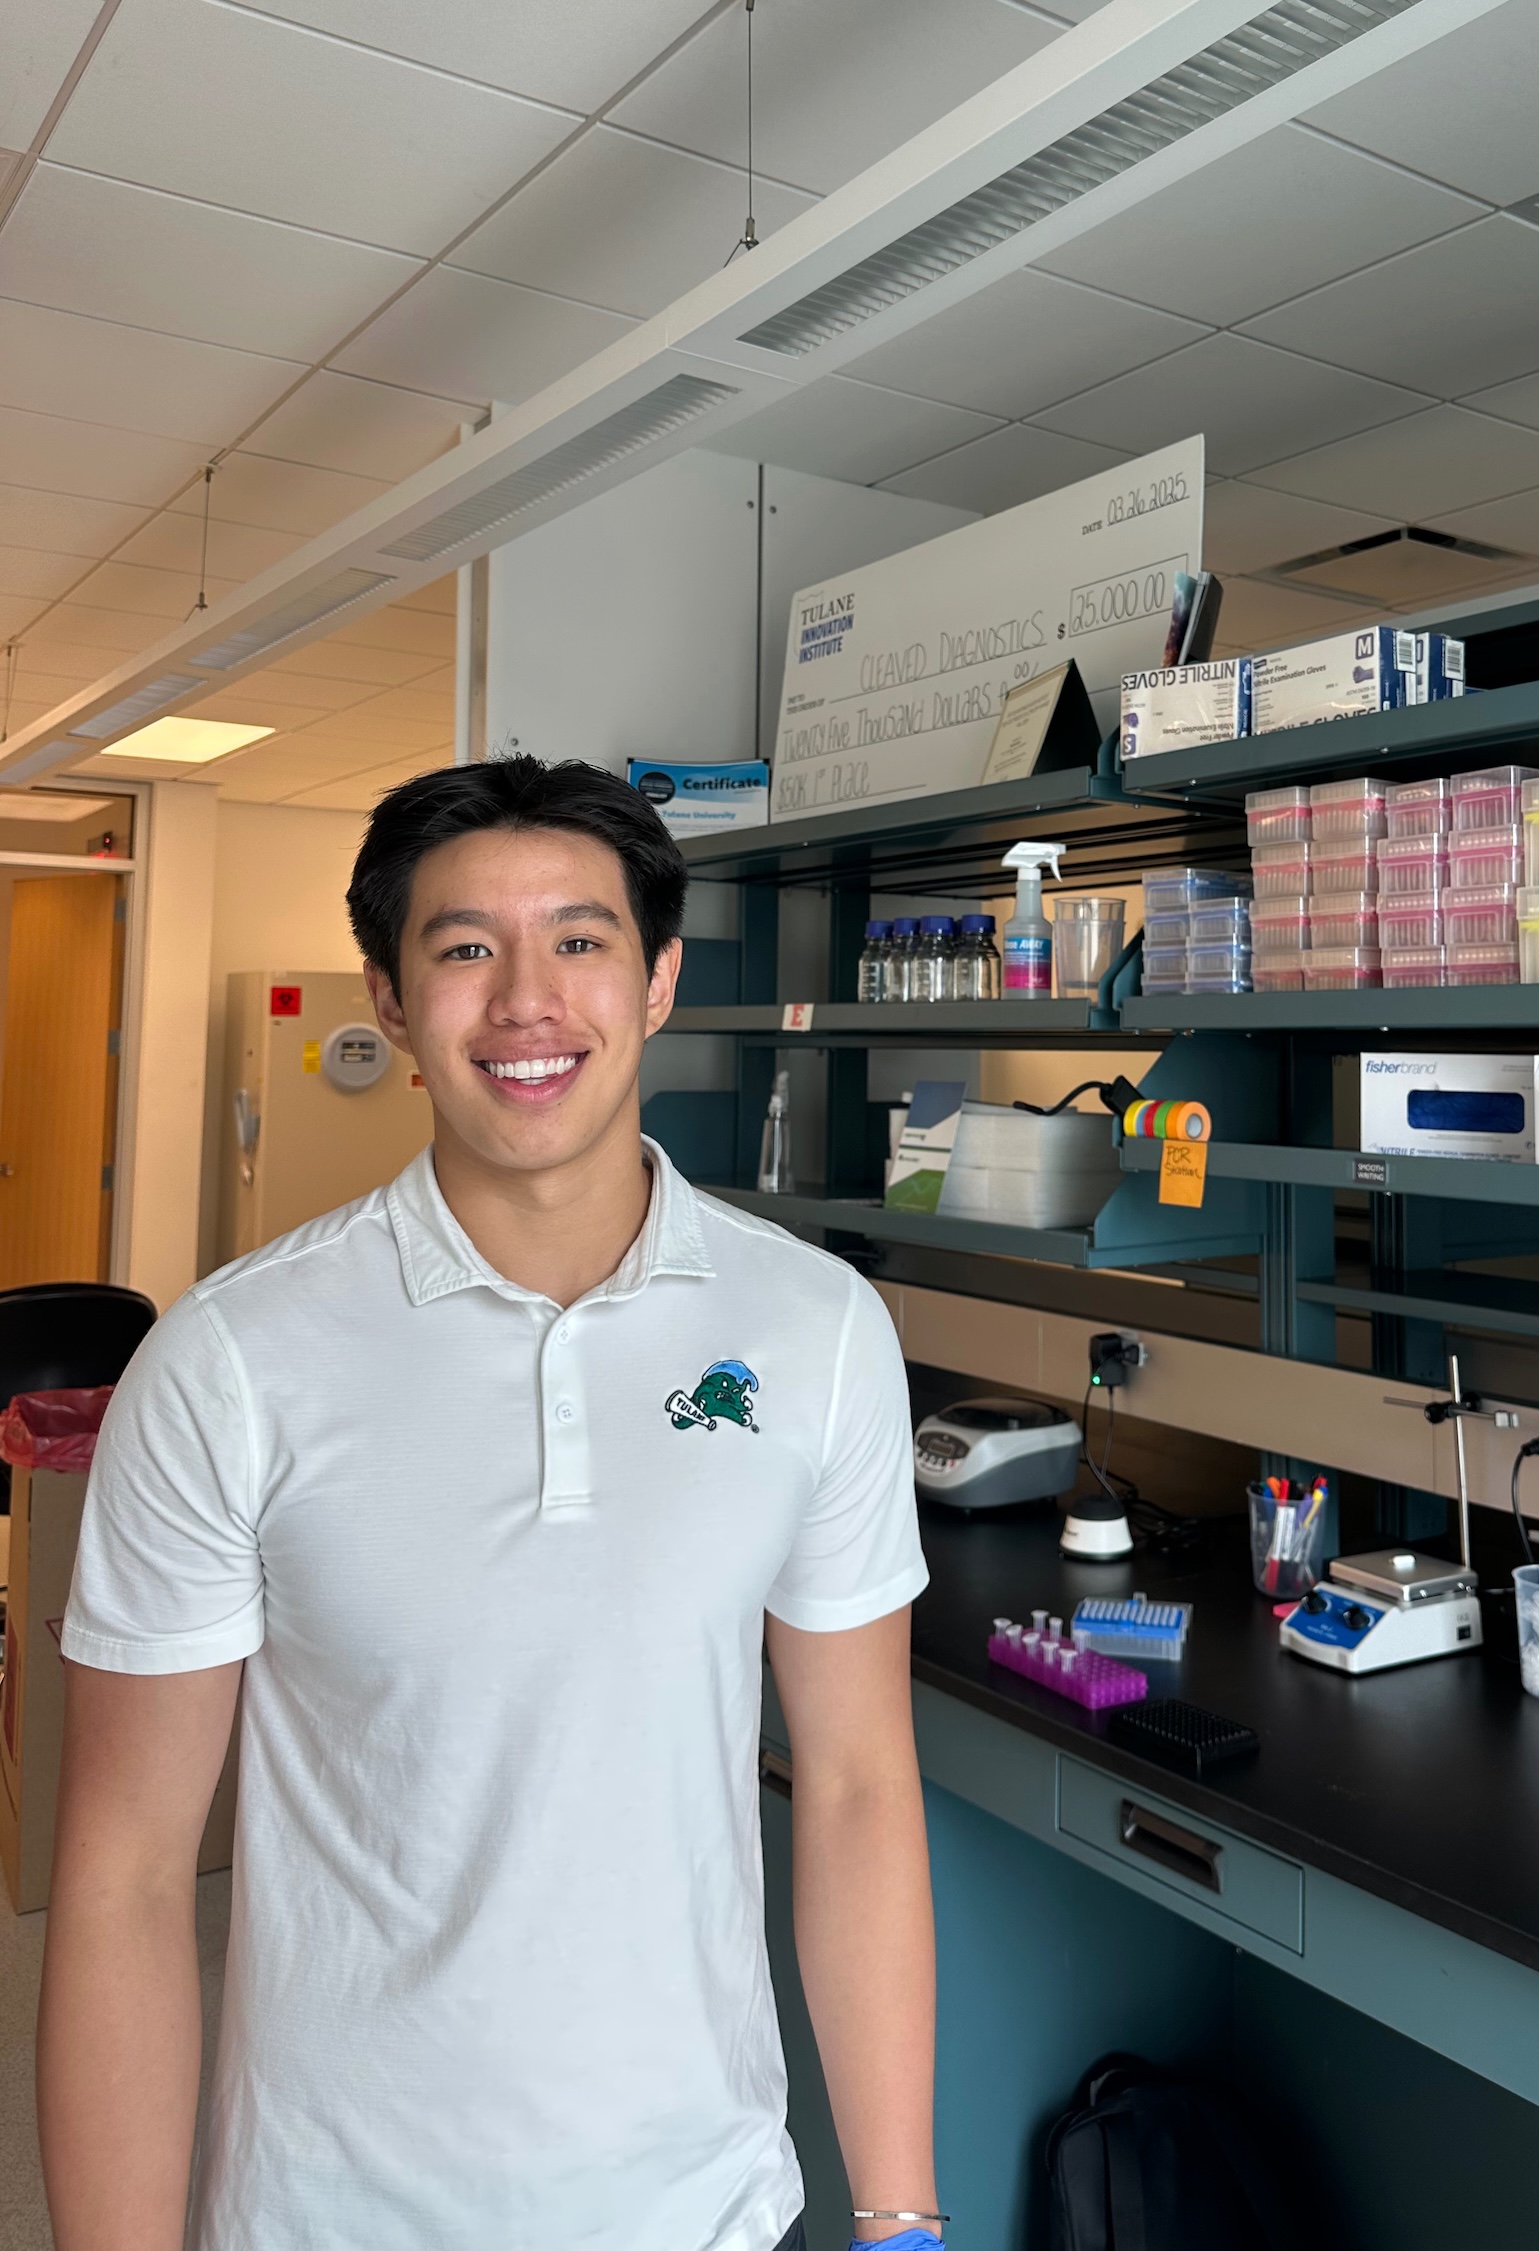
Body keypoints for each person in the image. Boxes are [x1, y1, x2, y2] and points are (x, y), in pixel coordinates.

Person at [38, 755, 939, 2251]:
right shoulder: (231, 1361)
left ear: (655, 981)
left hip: (708, 2206)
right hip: (336, 2216)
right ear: (391, 1003)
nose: (527, 1000)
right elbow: (125, 1878)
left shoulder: (817, 1328)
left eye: (580, 942)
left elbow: (855, 1787)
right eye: (464, 950)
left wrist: (899, 2217)